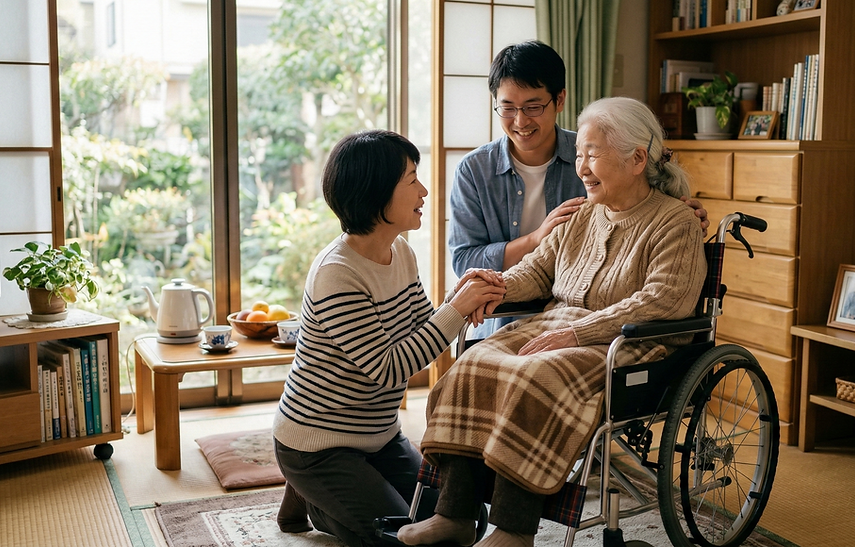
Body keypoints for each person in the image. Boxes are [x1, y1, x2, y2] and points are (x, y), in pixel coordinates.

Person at [398, 97, 707, 547]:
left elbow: (663, 300)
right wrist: (493, 286)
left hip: (624, 343)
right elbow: (537, 271)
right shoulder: (579, 214)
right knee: (470, 365)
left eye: (593, 153)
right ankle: (455, 514)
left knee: (533, 378)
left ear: (638, 158)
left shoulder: (675, 221)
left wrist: (579, 331)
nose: (582, 166)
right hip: (556, 326)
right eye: (579, 153)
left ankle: (513, 530)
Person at [272, 130, 505, 547]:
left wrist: (460, 299)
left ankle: (324, 493)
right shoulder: (336, 273)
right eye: (412, 179)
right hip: (319, 444)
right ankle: (313, 497)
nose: (424, 190)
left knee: (464, 520)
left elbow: (422, 329)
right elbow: (389, 368)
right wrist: (455, 310)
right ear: (376, 192)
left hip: (380, 436)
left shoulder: (402, 252)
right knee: (401, 539)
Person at [448, 40, 709, 339]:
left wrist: (686, 213)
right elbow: (478, 261)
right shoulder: (474, 170)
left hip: (594, 337)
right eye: (507, 108)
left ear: (559, 100)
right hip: (514, 322)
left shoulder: (604, 148)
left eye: (533, 106)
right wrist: (533, 240)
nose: (520, 121)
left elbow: (652, 204)